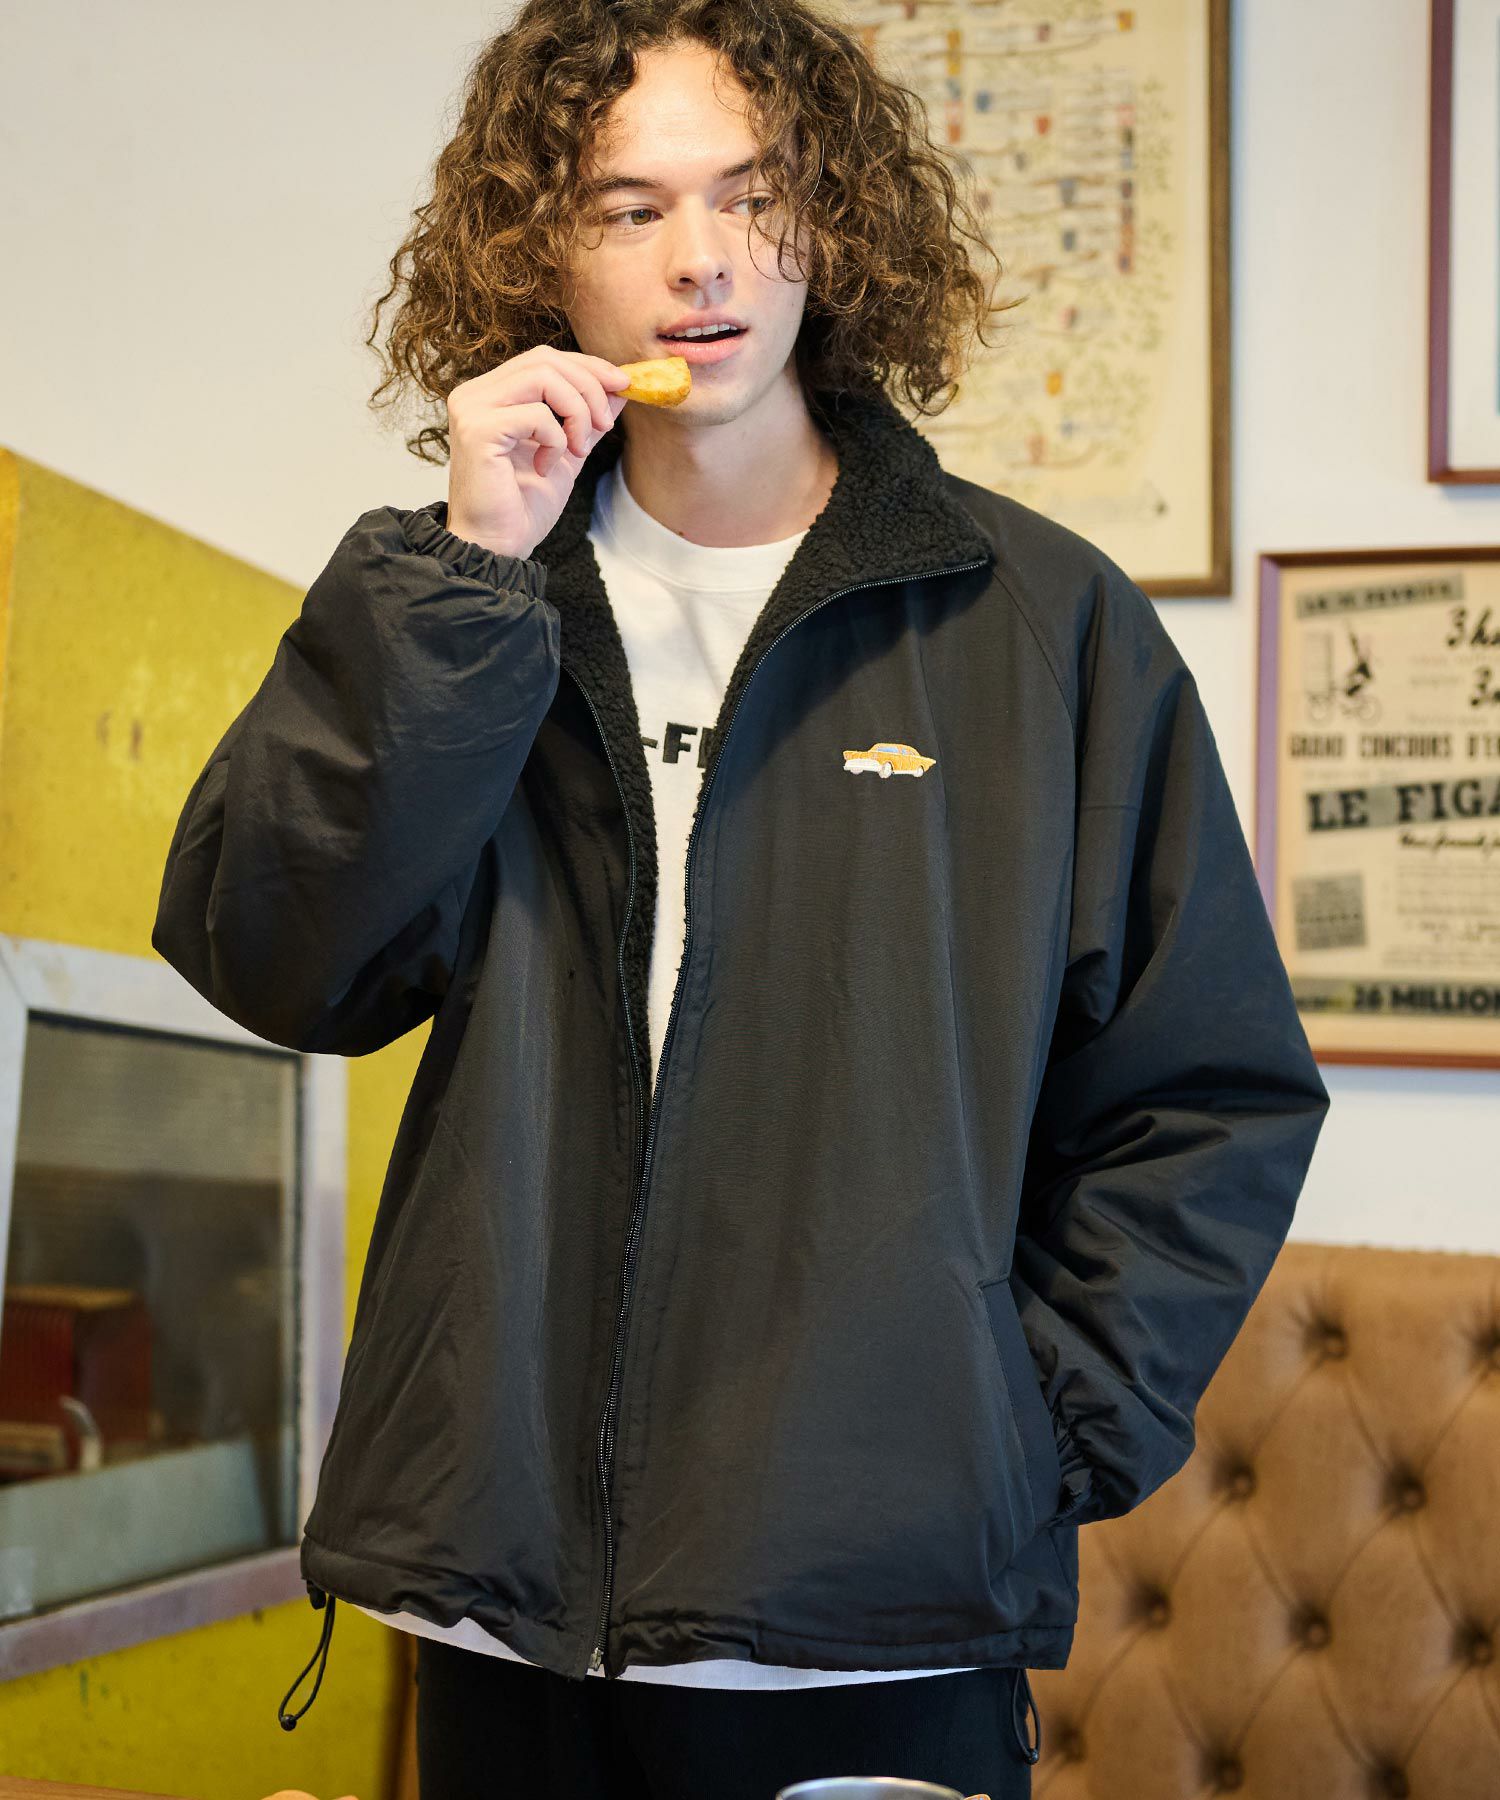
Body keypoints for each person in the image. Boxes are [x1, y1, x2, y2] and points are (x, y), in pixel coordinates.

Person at [155, 2, 1331, 1796]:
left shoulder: (1038, 621)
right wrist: (468, 575)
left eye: (753, 194)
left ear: (835, 222)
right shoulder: (472, 597)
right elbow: (279, 959)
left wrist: (1022, 1433)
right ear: (540, 251)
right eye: (628, 208)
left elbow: (1210, 1089)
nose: (699, 260)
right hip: (503, 1613)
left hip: (875, 1622)